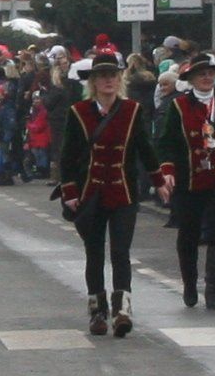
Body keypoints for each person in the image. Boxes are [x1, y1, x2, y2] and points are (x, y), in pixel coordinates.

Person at [54, 53, 153, 336]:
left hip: (123, 191)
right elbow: (68, 155)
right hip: (91, 192)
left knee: (121, 251)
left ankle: (122, 310)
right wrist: (70, 191)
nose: (108, 80)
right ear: (93, 82)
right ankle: (97, 311)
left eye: (113, 75)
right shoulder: (79, 112)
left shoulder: (132, 110)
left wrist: (160, 178)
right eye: (102, 76)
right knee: (94, 252)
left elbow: (144, 147)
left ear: (120, 79)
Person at [155, 50, 215, 312]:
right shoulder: (178, 106)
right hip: (189, 180)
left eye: (211, 73)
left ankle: (213, 289)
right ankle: (189, 284)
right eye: (201, 74)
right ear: (191, 78)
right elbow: (166, 142)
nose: (207, 77)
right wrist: (167, 169)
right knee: (189, 234)